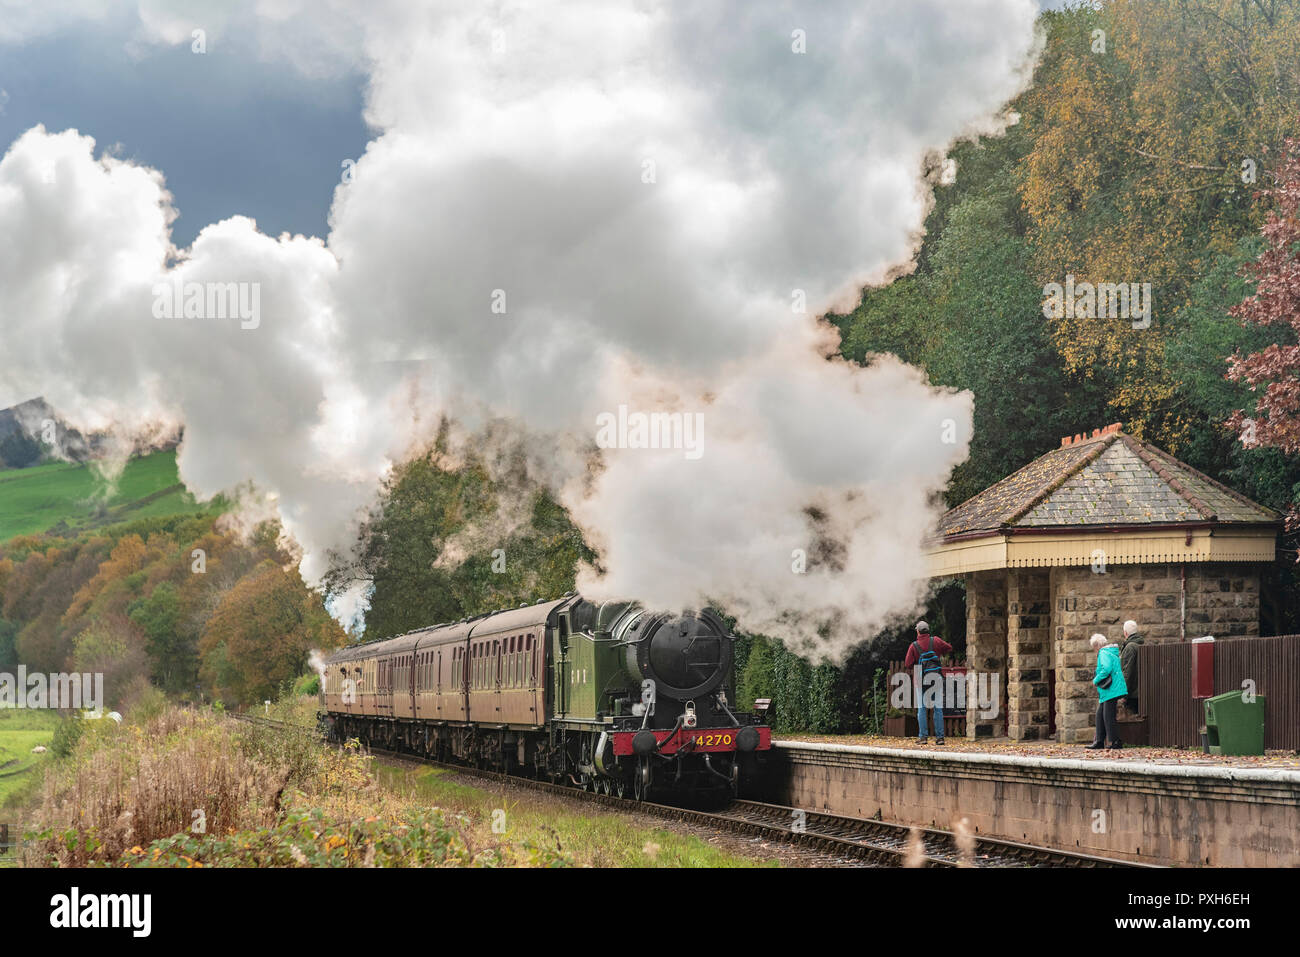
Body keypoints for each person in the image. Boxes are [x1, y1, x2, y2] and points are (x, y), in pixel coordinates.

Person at [904, 620, 952, 745]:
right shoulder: (935, 640)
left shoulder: (914, 646)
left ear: (918, 631)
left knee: (922, 708)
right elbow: (949, 648)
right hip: (936, 678)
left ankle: (923, 737)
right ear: (928, 630)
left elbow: (908, 664)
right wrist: (939, 653)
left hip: (921, 680)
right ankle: (940, 738)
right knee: (938, 708)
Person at [1088, 633, 1128, 750]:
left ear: (1096, 646)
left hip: (1111, 689)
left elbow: (1106, 669)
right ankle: (1099, 741)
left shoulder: (1103, 653)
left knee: (1108, 716)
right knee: (1100, 715)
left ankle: (1115, 741)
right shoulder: (1111, 652)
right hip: (1110, 689)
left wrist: (1096, 680)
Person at [1119, 620, 1144, 715]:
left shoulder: (1130, 647)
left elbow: (1127, 672)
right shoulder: (1141, 644)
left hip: (1132, 693)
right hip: (1141, 691)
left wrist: (1123, 693)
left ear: (1125, 633)